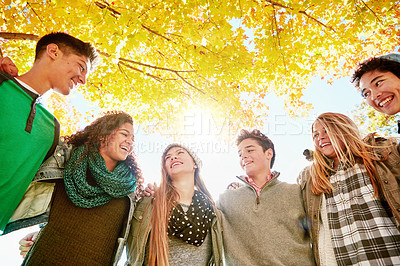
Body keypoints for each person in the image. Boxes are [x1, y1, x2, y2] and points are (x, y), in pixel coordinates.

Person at [0, 32, 99, 234]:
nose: (83, 80)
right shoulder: (2, 85)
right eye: (81, 67)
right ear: (53, 51)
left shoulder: (51, 127)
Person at [16, 111, 141, 265]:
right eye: (125, 134)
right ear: (103, 134)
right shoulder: (66, 161)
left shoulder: (130, 190)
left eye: (132, 139)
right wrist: (41, 231)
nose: (130, 142)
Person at [298, 112, 400, 265]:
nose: (321, 137)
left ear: (344, 129)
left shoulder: (377, 154)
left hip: (389, 256)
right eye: (315, 135)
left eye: (327, 130)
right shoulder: (312, 176)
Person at [217, 129, 315, 265]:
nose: (243, 156)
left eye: (249, 150)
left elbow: (317, 234)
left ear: (268, 153)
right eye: (240, 154)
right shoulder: (226, 200)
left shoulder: (296, 192)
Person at [126, 144, 223, 266]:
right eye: (168, 157)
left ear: (195, 164)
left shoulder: (211, 210)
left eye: (180, 153)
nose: (173, 158)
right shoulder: (150, 202)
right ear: (165, 169)